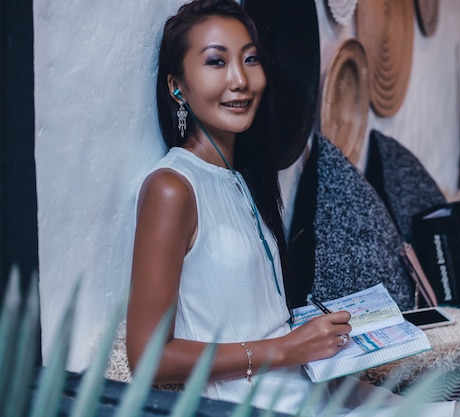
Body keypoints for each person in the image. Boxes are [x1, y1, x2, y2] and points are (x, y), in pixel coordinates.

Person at [125, 1, 401, 415]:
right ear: (176, 87)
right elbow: (148, 358)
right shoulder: (172, 188)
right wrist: (286, 349)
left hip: (307, 387)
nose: (241, 80)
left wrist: (314, 334)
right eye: (216, 62)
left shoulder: (243, 178)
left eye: (250, 59)